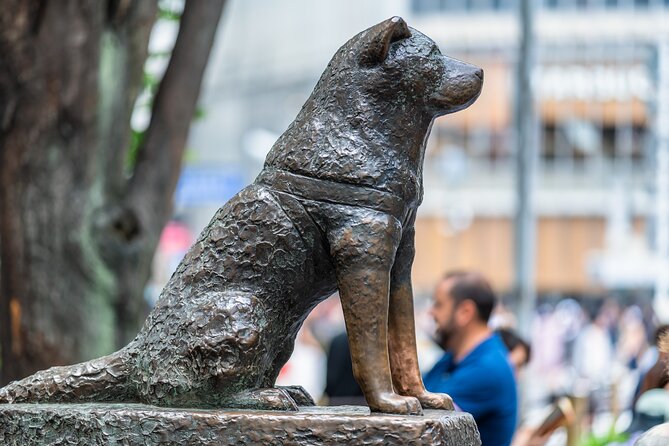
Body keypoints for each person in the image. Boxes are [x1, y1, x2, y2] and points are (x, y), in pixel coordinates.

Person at [423, 271, 518, 446]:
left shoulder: (487, 370)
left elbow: (422, 426)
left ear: (465, 312)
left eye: (438, 304)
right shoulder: (452, 358)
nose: (431, 312)